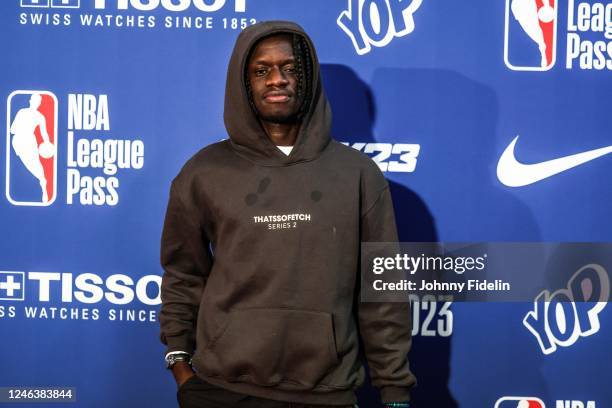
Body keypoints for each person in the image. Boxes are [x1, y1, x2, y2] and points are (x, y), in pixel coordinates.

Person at [159, 20, 416, 408]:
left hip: (326, 393)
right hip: (222, 390)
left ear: (309, 77)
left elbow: (382, 293)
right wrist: (180, 364)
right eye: (261, 70)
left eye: (291, 68)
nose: (277, 79)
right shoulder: (203, 172)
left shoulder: (357, 174)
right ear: (243, 83)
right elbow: (184, 275)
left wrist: (395, 391)